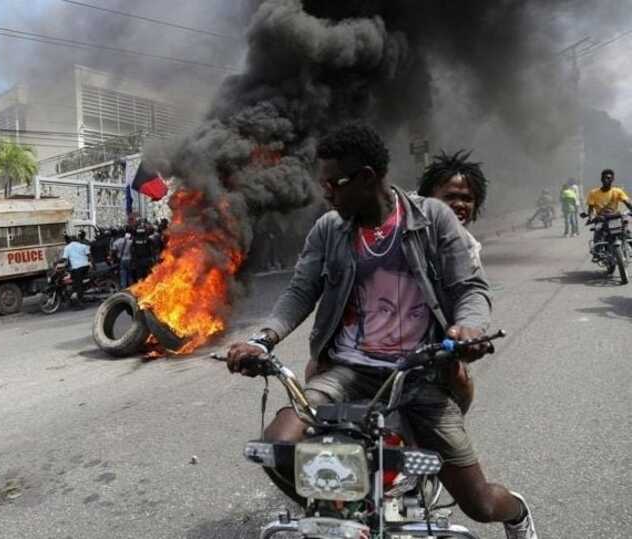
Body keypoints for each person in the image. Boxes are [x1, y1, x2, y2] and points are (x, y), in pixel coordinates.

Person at [226, 122, 537, 539]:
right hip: (347, 371)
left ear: (367, 177)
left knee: (479, 504)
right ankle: (356, 512)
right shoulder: (329, 229)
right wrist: (262, 339)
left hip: (419, 374)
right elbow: (301, 290)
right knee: (280, 448)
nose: (326, 193)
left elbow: (470, 289)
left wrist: (468, 328)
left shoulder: (433, 218)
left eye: (333, 183)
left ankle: (516, 513)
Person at [417, 150, 490, 413]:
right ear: (428, 200)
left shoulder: (469, 247)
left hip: (437, 342)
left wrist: (468, 327)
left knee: (460, 381)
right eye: (450, 197)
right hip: (381, 339)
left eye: (467, 198)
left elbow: (472, 292)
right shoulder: (404, 228)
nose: (459, 204)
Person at [63, 234, 91, 309]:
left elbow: (65, 259)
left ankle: (79, 303)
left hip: (77, 268)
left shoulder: (67, 247)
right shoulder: (83, 246)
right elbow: (89, 256)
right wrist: (92, 265)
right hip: (85, 267)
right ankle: (74, 296)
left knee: (78, 284)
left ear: (69, 240)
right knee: (74, 280)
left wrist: (61, 264)